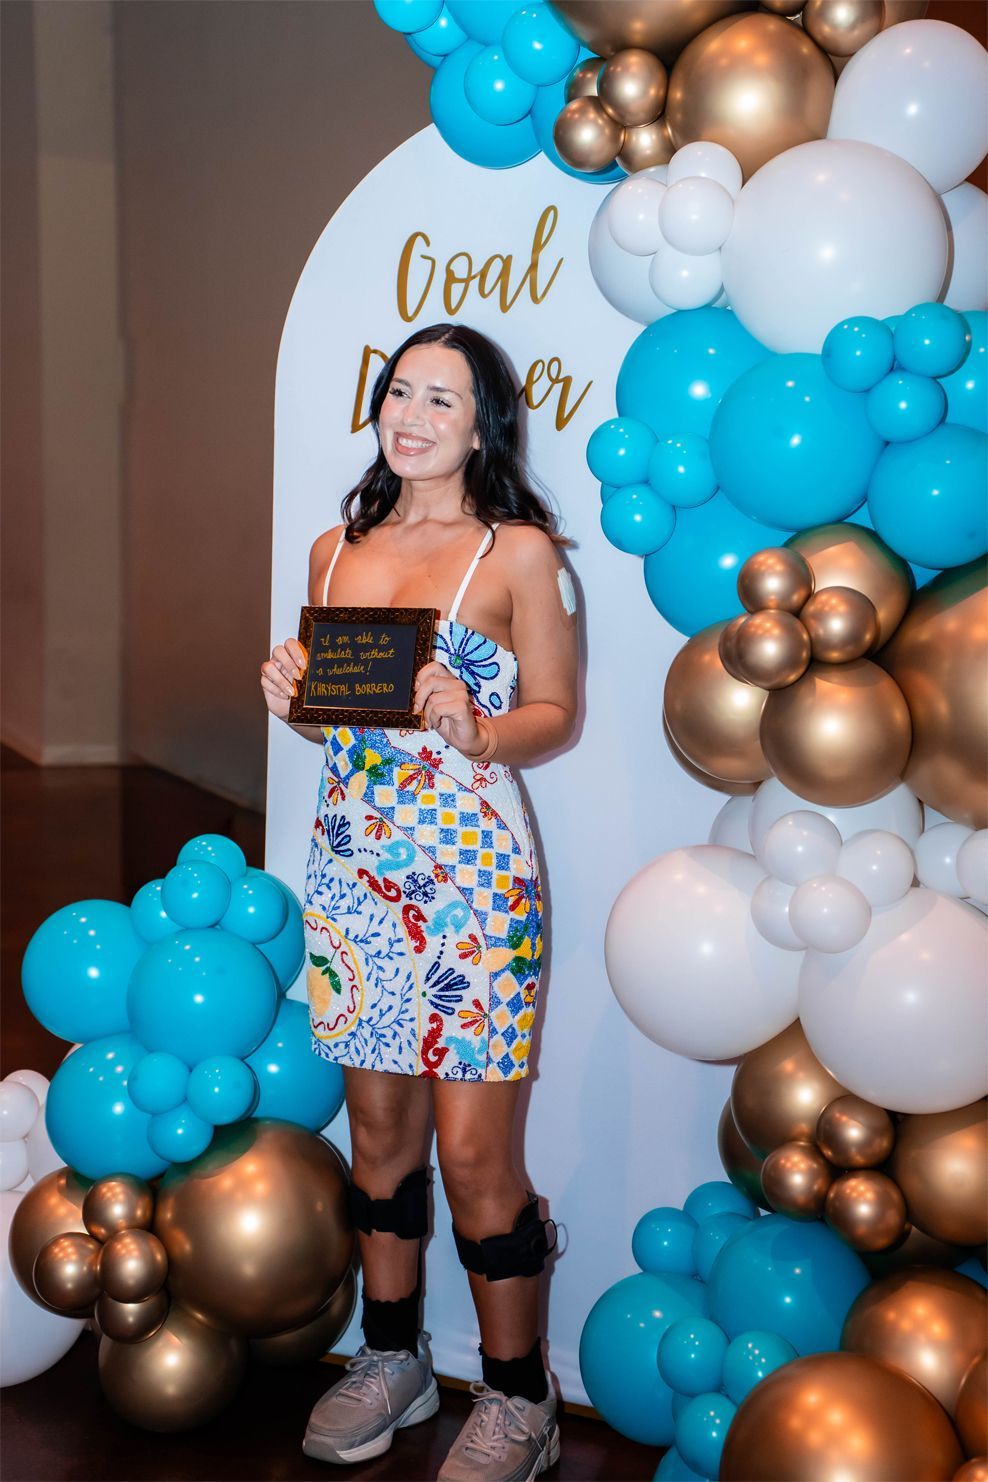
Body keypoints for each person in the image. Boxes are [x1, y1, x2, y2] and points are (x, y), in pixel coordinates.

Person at [261, 321, 579, 1480]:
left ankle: (519, 1397)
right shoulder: (332, 550)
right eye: (400, 391)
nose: (413, 416)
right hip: (352, 874)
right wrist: (293, 697)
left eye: (442, 399)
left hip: (474, 886)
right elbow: (337, 724)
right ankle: (391, 1357)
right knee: (380, 1139)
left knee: (475, 1156)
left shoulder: (518, 554)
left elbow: (555, 713)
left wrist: (480, 729)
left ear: (484, 426)